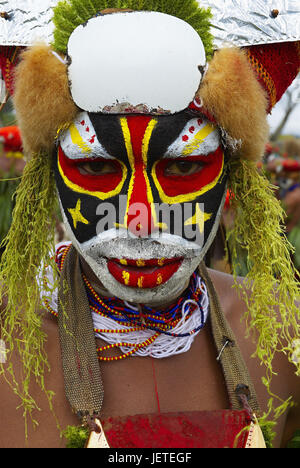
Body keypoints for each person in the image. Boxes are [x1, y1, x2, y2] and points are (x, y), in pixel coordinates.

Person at [0, 1, 299, 449]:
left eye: (182, 170)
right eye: (97, 169)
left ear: (230, 176)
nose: (140, 219)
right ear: (51, 176)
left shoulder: (285, 328)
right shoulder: (11, 331)